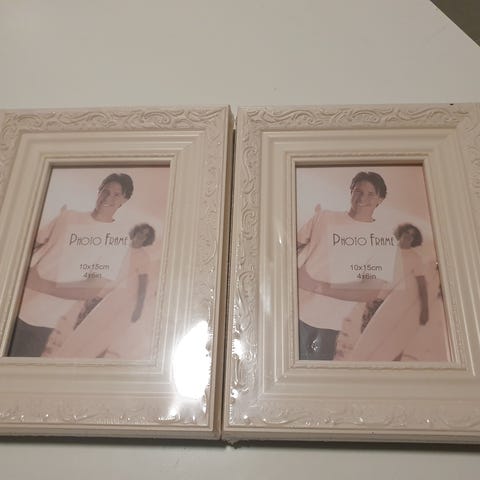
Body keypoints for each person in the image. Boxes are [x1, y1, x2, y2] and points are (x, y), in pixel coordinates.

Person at [8, 173, 134, 357]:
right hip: (12, 303)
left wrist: (42, 284)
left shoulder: (119, 239)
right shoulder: (68, 216)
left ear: (124, 200)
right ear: (99, 191)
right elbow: (35, 244)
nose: (108, 197)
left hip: (40, 322)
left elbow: (91, 290)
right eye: (105, 191)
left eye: (116, 194)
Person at [297, 171, 397, 360]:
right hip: (293, 309)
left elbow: (369, 292)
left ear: (380, 199)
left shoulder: (385, 238)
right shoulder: (323, 217)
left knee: (313, 374)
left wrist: (316, 286)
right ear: (351, 191)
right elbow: (293, 247)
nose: (362, 198)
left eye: (371, 194)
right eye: (358, 191)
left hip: (328, 325)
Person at [42, 223, 156, 359]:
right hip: (96, 293)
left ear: (148, 240)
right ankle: (71, 356)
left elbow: (143, 283)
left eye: (146, 235)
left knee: (99, 335)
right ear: (136, 231)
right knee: (80, 326)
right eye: (141, 232)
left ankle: (95, 360)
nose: (142, 236)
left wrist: (139, 307)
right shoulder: (119, 246)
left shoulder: (143, 257)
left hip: (112, 301)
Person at [346, 223, 429, 361]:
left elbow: (422, 284)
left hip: (394, 305)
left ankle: (393, 367)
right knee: (366, 334)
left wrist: (425, 309)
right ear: (401, 233)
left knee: (393, 339)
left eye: (412, 236)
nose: (408, 237)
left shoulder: (415, 258)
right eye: (406, 233)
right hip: (375, 299)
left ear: (415, 240)